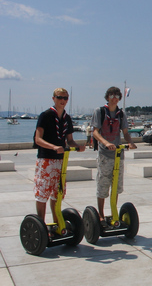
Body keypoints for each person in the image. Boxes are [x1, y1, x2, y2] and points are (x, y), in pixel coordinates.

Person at [33, 88, 85, 223]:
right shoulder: (45, 115)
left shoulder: (67, 118)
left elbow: (70, 140)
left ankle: (57, 224)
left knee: (58, 193)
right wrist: (54, 147)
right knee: (42, 193)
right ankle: (41, 225)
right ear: (53, 98)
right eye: (59, 97)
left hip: (60, 161)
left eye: (65, 98)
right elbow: (37, 139)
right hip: (46, 159)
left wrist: (77, 147)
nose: (62, 101)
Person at [91, 86, 137, 225]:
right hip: (105, 154)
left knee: (116, 185)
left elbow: (125, 132)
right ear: (107, 97)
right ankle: (100, 214)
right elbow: (95, 132)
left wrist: (130, 143)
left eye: (117, 95)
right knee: (103, 185)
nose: (114, 98)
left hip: (118, 155)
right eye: (112, 95)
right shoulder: (100, 111)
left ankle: (113, 211)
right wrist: (105, 142)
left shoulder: (121, 114)